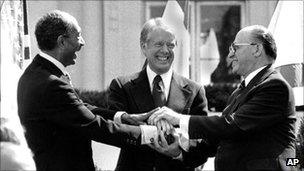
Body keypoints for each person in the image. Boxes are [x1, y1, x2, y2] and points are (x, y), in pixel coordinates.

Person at [17, 10, 156, 171]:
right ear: (61, 42)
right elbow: (94, 126)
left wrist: (123, 117)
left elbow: (77, 107)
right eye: (78, 36)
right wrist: (148, 134)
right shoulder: (51, 84)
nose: (82, 42)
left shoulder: (36, 73)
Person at [148, 25, 297, 171]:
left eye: (235, 47)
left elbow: (232, 126)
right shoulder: (241, 91)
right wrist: (179, 152)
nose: (230, 55)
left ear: (256, 49)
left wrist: (179, 119)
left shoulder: (275, 86)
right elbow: (216, 139)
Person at [107, 17, 208, 171]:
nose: (165, 50)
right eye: (159, 44)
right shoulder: (122, 86)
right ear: (143, 47)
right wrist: (156, 128)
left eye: (170, 45)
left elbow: (203, 142)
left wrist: (178, 153)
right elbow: (115, 130)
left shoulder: (194, 90)